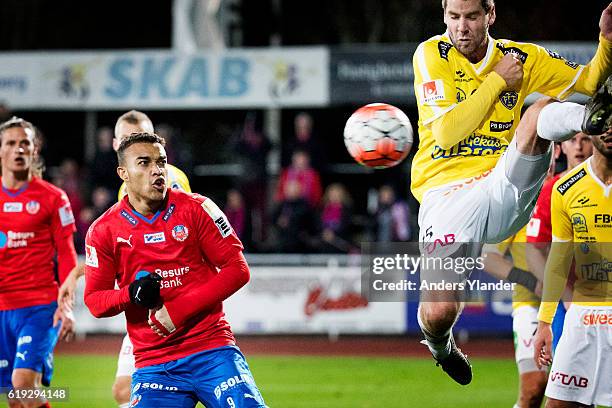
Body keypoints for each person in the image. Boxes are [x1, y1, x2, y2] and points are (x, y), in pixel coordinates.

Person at [411, 0, 612, 385]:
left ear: (491, 14)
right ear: (444, 16)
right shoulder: (431, 54)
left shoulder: (521, 57)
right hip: (445, 197)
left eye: (471, 17)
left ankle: (589, 119)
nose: (462, 27)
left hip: (504, 179)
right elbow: (449, 132)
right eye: (453, 17)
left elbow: (588, 82)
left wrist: (606, 41)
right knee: (437, 314)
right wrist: (499, 81)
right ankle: (441, 347)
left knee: (538, 114)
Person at [84, 132, 266, 407]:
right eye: (144, 163)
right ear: (123, 173)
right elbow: (95, 301)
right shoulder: (103, 230)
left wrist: (178, 311)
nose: (157, 170)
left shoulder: (198, 208)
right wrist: (129, 294)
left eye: (161, 162)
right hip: (154, 363)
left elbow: (237, 269)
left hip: (212, 350)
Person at [58, 110, 192, 407]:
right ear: (116, 144)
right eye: (128, 138)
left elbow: (172, 239)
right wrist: (78, 273)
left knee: (167, 386)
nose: (135, 143)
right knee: (123, 390)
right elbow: (119, 247)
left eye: (141, 135)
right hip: (144, 300)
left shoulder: (169, 180)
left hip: (171, 299)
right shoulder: (125, 191)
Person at [0, 117, 77, 408]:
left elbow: (67, 253)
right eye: (11, 143)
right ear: (0, 151)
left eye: (24, 143)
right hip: (2, 308)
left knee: (22, 386)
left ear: (34, 151)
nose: (18, 149)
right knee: (16, 398)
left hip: (40, 306)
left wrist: (66, 305)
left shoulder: (53, 198)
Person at [533, 125, 612, 408]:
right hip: (583, 318)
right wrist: (544, 323)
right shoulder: (565, 188)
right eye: (603, 123)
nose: (610, 130)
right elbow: (558, 259)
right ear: (591, 130)